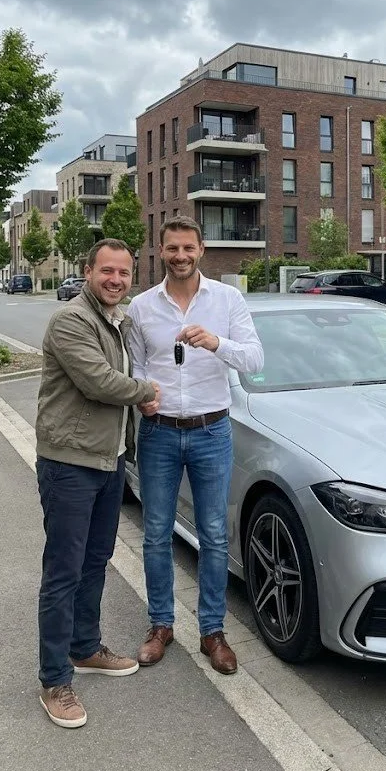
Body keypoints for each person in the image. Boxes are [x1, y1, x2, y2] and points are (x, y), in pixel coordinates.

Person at [128, 215, 264, 675]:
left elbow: (255, 359)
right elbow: (136, 367)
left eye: (188, 248)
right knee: (156, 532)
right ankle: (160, 624)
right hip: (159, 431)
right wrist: (142, 396)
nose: (181, 256)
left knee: (214, 534)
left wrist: (217, 342)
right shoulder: (142, 306)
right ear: (160, 251)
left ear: (201, 249)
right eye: (172, 248)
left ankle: (212, 631)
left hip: (211, 431)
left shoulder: (227, 299)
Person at [35, 239, 161, 728]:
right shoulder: (71, 320)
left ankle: (85, 647)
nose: (116, 280)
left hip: (109, 460)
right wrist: (147, 391)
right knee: (63, 571)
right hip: (70, 463)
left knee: (94, 561)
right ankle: (54, 679)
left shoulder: (116, 320)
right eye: (107, 271)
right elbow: (99, 382)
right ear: (87, 271)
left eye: (124, 273)